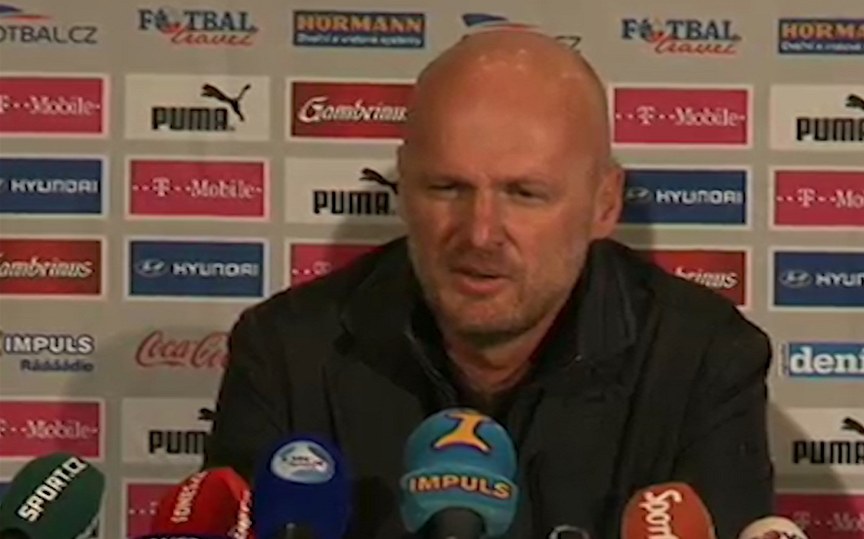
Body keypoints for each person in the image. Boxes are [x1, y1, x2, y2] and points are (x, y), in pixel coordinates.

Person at [203, 29, 775, 538]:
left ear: (604, 203)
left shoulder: (704, 360)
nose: (479, 234)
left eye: (524, 194)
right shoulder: (285, 353)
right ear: (404, 187)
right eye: (447, 188)